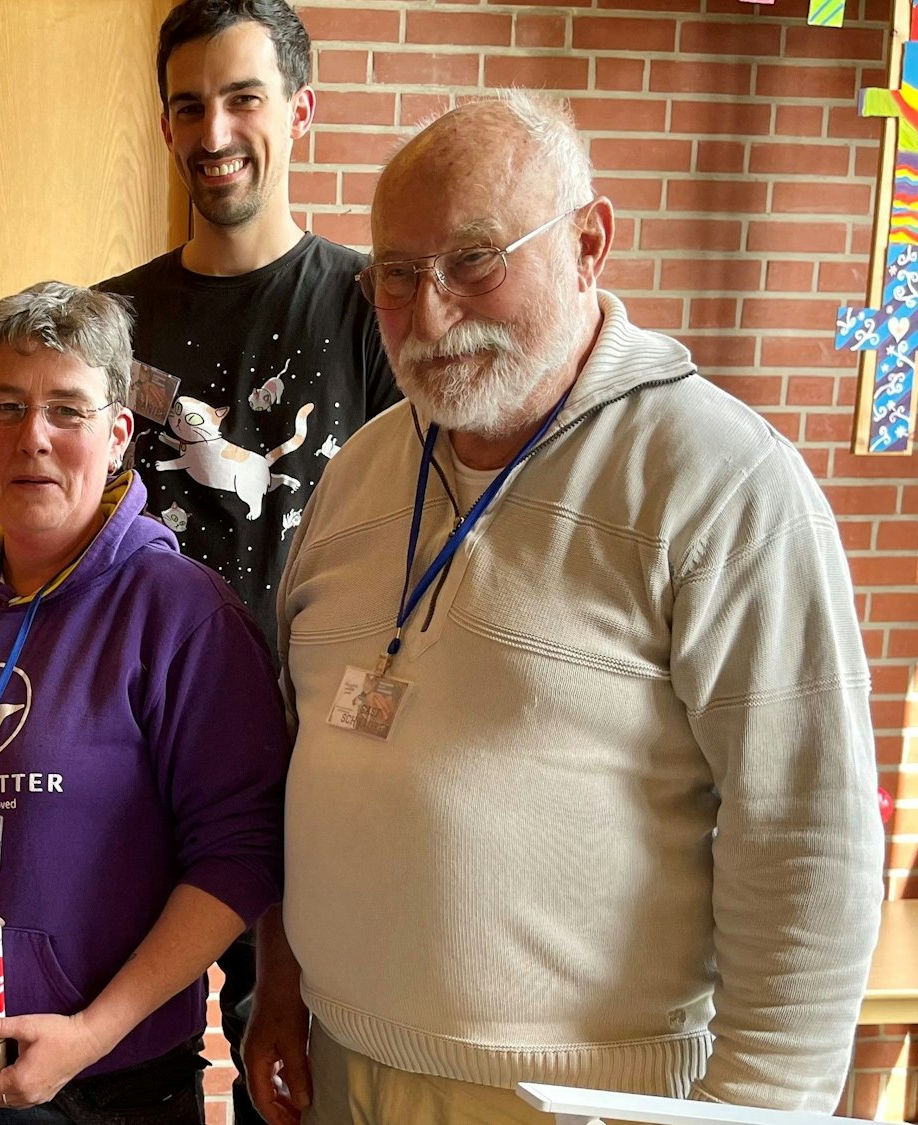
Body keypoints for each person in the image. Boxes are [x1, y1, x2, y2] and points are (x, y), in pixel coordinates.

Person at [246, 93, 884, 1124]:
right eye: (397, 278)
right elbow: (296, 756)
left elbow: (806, 841)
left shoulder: (719, 482)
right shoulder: (360, 469)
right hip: (336, 1066)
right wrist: (279, 984)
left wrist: (758, 1112)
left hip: (582, 1100)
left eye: (473, 261)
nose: (433, 314)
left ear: (588, 242)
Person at [0, 281, 287, 1122]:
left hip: (104, 1085)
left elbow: (242, 855)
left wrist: (92, 1031)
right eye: (5, 406)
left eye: (66, 410)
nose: (31, 437)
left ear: (117, 434)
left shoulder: (183, 613)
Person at [98, 7, 400, 1113]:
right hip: (141, 774)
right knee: (124, 1080)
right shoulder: (108, 322)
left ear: (299, 113)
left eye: (242, 98)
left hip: (320, 773)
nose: (212, 129)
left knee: (299, 1089)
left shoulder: (370, 305)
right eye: (187, 104)